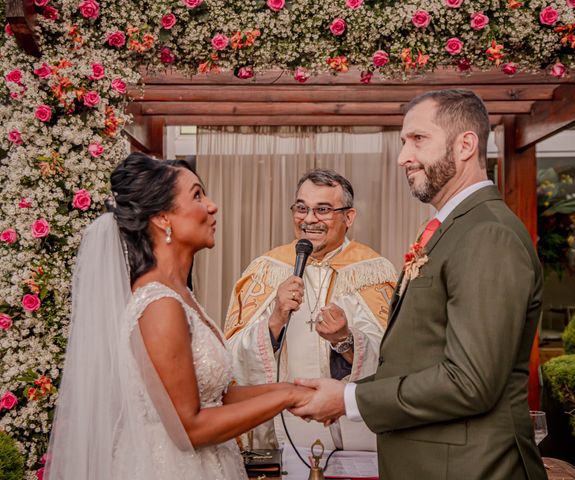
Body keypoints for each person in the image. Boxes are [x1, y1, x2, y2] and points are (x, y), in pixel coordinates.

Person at [292, 90, 548, 479]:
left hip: (470, 468)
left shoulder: (487, 234)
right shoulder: (456, 228)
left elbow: (471, 382)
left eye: (418, 139)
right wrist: (340, 395)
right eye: (403, 142)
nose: (403, 157)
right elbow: (418, 359)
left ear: (465, 145)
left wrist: (350, 398)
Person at [44, 153, 312, 480]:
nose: (212, 206)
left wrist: (293, 390)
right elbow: (190, 428)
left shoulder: (182, 297)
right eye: (197, 195)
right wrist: (288, 397)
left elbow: (219, 397)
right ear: (162, 219)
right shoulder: (160, 305)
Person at [224, 169, 396, 451]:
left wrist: (345, 341)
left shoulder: (374, 273)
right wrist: (275, 320)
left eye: (323, 209)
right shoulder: (264, 271)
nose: (309, 219)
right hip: (284, 438)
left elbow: (396, 362)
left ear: (348, 217)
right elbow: (232, 361)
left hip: (357, 440)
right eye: (302, 208)